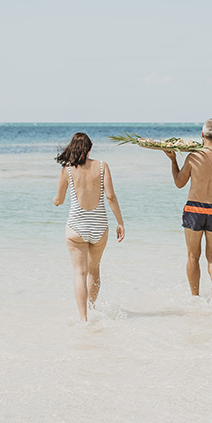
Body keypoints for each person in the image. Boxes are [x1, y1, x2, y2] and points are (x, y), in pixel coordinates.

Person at [53, 133, 125, 321]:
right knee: (94, 271)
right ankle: (93, 308)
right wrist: (120, 222)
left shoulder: (67, 170)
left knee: (79, 273)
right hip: (99, 227)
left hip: (76, 227)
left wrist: (55, 201)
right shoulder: (102, 166)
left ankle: (84, 319)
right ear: (90, 148)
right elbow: (110, 196)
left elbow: (59, 200)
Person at [165, 118, 212, 301]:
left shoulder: (194, 156)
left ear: (202, 134)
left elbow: (179, 183)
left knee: (193, 255)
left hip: (194, 209)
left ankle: (195, 297)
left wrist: (173, 160)